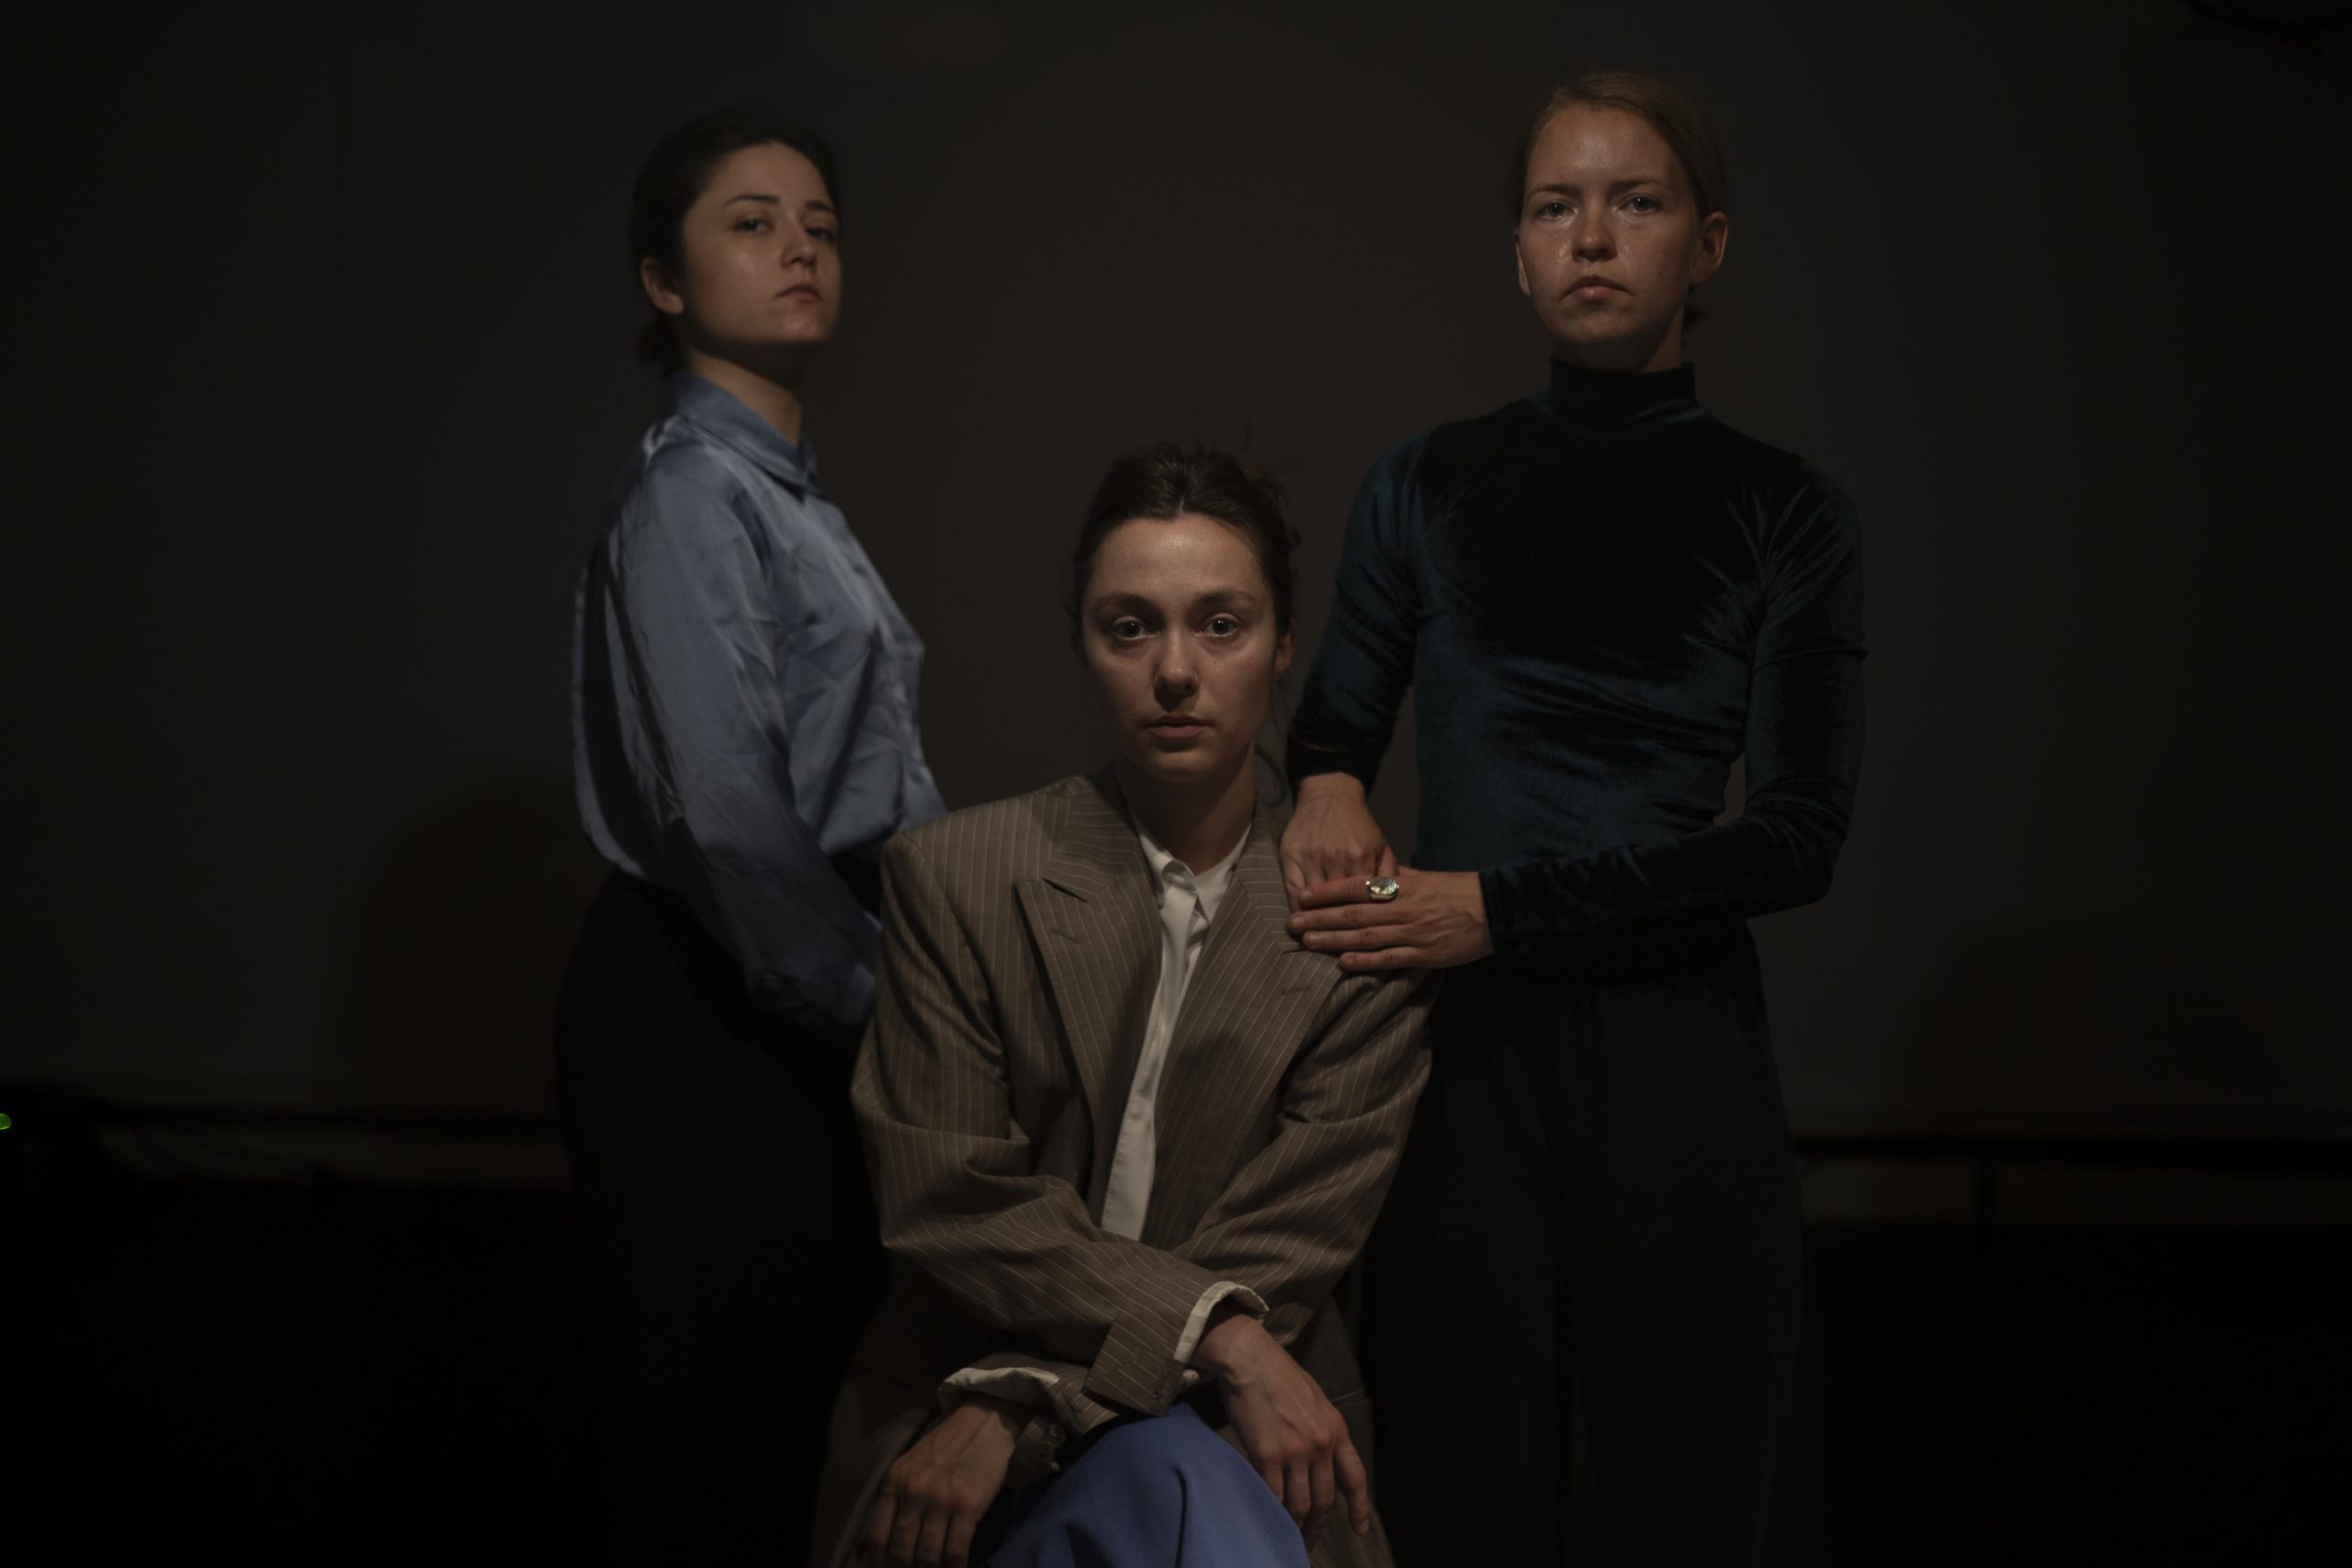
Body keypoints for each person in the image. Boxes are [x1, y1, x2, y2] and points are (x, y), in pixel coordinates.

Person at [1281, 71, 1864, 1566]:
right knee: (1459, 1487)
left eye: (1635, 202)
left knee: (1693, 1492)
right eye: (1557, 206)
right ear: (1519, 251)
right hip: (1461, 1056)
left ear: (1707, 244)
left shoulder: (1783, 507)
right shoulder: (1426, 480)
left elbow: (1796, 835)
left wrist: (1498, 905)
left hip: (1676, 1050)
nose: (1591, 236)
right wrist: (1331, 780)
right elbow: (1332, 727)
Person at [808, 448, 1436, 1568]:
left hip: (1238, 1412)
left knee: (1183, 1487)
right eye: (1130, 627)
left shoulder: (1367, 923)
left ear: (1284, 644)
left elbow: (1280, 1252)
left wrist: (1027, 1397)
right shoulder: (957, 876)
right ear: (1082, 646)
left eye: (1221, 625)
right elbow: (952, 1201)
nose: (1175, 671)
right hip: (951, 1402)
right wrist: (1201, 1335)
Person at [557, 109, 945, 1562]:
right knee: (707, 1437)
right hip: (710, 995)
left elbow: (880, 783)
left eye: (821, 226)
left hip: (793, 982)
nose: (800, 247)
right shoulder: (690, 491)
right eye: (752, 221)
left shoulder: (788, 496)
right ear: (664, 280)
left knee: (784, 1423)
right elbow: (728, 814)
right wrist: (902, 1013)